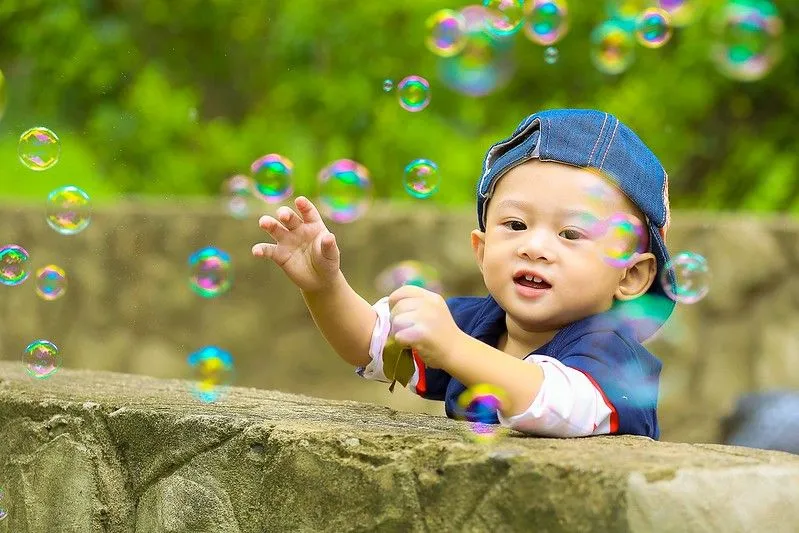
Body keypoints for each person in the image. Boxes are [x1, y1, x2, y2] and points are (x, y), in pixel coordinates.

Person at [252, 108, 676, 439]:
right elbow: (371, 345)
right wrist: (326, 288)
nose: (534, 246)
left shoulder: (612, 352)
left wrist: (452, 348)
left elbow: (554, 402)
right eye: (515, 225)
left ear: (631, 276)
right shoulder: (474, 323)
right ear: (482, 247)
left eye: (570, 233)